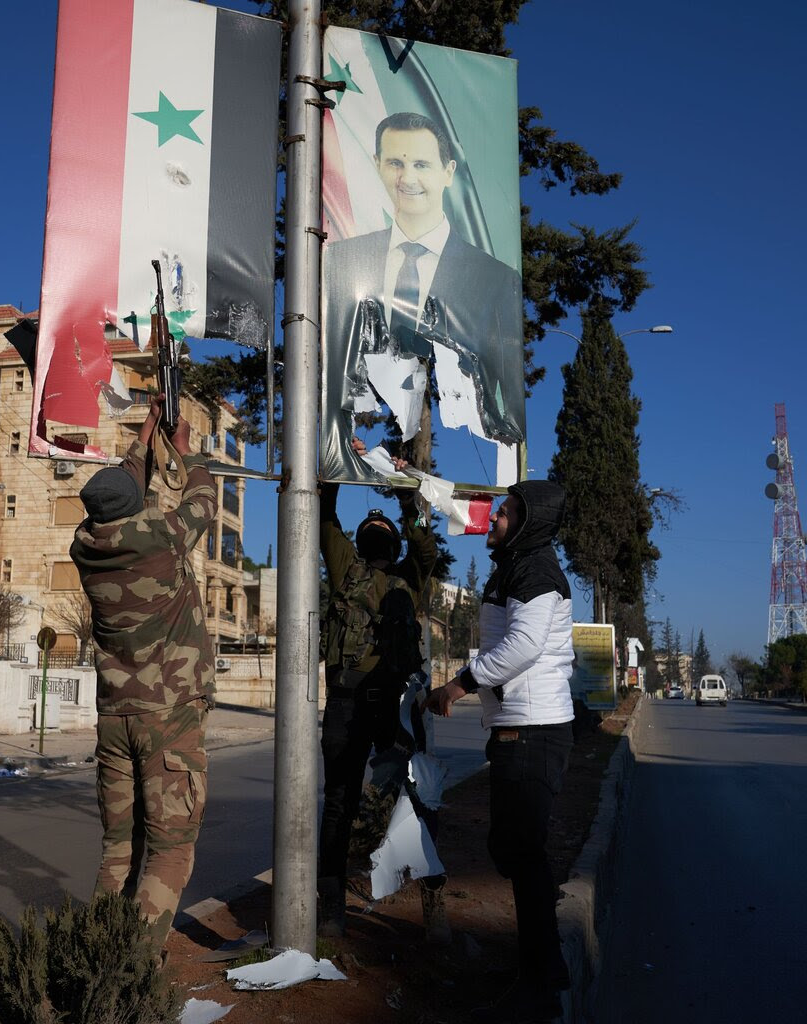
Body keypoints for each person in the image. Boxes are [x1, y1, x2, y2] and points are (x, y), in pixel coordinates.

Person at [70, 395, 217, 953]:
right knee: (172, 848)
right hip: (169, 719)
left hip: (115, 719)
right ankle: (129, 975)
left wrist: (147, 434)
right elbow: (202, 496)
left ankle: (96, 966)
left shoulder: (84, 546)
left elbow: (119, 489)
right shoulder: (163, 537)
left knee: (118, 850)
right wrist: (184, 450)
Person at [428, 481, 575, 1024]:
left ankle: (542, 981)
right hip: (519, 727)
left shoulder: (535, 571)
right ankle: (542, 965)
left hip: (533, 732)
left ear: (530, 522)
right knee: (513, 849)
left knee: (523, 853)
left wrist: (457, 685)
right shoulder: (518, 565)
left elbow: (522, 647)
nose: (494, 520)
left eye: (506, 513)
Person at [321, 111, 525, 483]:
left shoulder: (496, 280)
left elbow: (508, 399)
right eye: (395, 163)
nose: (407, 177)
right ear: (377, 166)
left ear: (447, 172)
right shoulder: (344, 262)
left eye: (421, 164)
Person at [318, 438, 441, 939]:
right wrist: (338, 463)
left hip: (389, 706)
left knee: (408, 799)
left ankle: (426, 904)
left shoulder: (411, 579)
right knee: (342, 802)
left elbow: (426, 545)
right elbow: (325, 516)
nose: (372, 535)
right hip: (350, 703)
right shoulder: (349, 569)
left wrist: (408, 491)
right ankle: (330, 907)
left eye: (378, 530)